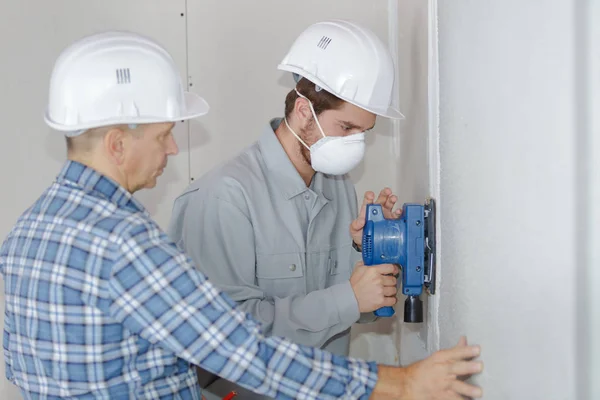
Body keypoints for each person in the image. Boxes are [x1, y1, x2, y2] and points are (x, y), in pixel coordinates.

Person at [0, 30, 484, 400]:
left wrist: (364, 248)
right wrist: (399, 384)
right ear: (117, 143)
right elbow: (242, 351)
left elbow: (21, 368)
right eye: (165, 133)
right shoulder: (126, 241)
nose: (172, 148)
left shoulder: (27, 234)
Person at [168, 20, 416, 399]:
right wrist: (347, 298)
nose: (356, 144)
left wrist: (370, 251)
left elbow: (352, 307)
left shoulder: (338, 188)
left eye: (364, 132)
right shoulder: (224, 197)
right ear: (303, 111)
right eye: (347, 128)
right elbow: (222, 337)